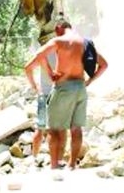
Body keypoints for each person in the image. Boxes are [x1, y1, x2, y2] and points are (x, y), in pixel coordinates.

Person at [24, 19, 108, 170]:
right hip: (81, 89)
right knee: (76, 128)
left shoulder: (58, 41)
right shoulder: (85, 43)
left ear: (58, 29)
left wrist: (49, 73)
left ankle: (54, 165)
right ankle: (72, 165)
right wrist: (89, 81)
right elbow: (104, 65)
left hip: (64, 88)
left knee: (54, 129)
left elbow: (37, 57)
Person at [24, 33, 57, 161]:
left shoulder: (42, 53)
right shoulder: (64, 50)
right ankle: (54, 160)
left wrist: (35, 86)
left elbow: (27, 68)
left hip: (43, 94)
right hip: (57, 94)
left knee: (40, 129)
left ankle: (34, 158)